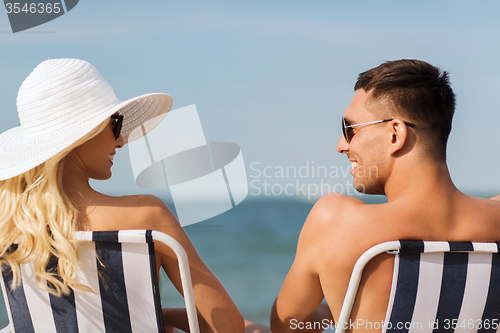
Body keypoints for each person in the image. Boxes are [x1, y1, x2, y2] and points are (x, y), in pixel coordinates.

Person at [0, 58, 245, 333]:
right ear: (84, 134)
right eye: (115, 124)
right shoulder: (146, 216)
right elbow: (227, 325)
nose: (121, 140)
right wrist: (164, 318)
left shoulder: (8, 227)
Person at [270, 59, 500, 332]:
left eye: (350, 129)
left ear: (395, 134)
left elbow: (288, 324)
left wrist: (341, 304)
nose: (341, 145)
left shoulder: (336, 221)